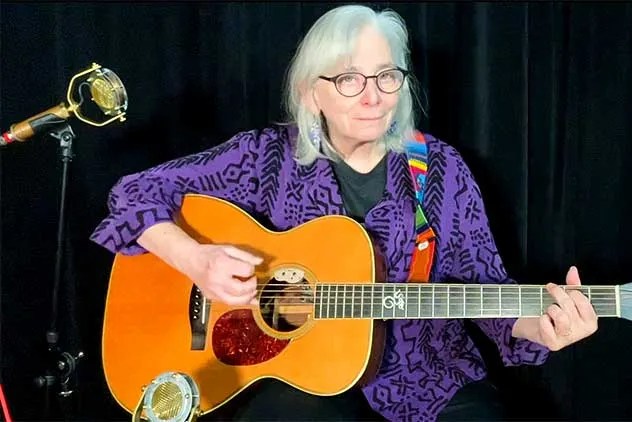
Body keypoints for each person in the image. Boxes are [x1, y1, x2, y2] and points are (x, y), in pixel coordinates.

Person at [90, 4, 598, 421]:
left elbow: (491, 294)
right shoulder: (265, 159)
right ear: (313, 93)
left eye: (386, 76)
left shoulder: (440, 171)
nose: (374, 97)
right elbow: (132, 194)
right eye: (350, 79)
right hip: (296, 379)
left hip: (428, 377)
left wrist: (541, 326)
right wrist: (196, 261)